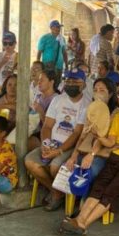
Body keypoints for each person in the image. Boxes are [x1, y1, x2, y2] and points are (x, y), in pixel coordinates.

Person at [59, 83, 119, 235]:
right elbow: (109, 142)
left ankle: (83, 224)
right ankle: (79, 219)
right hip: (117, 158)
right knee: (98, 186)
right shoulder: (118, 117)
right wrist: (98, 135)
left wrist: (117, 146)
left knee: (110, 191)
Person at [25, 70, 89, 211]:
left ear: (83, 84)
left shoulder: (86, 104)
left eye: (75, 81)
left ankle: (58, 194)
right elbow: (47, 126)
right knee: (30, 161)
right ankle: (56, 192)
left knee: (55, 167)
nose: (71, 84)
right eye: (68, 81)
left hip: (70, 147)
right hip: (52, 142)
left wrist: (59, 151)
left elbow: (77, 133)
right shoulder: (58, 100)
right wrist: (46, 144)